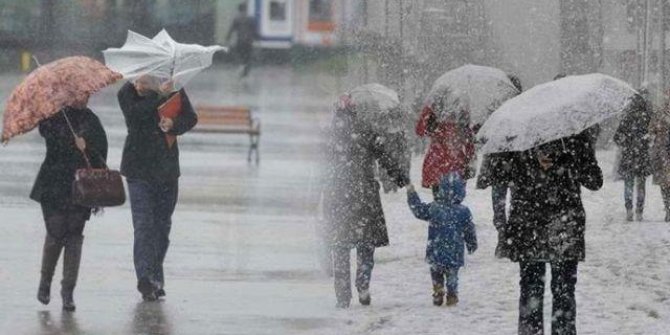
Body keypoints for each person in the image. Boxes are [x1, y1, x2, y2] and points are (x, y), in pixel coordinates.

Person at [495, 127, 602, 335]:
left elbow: (500, 174)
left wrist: (530, 162)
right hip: (563, 226)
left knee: (531, 291)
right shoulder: (574, 133)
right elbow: (594, 180)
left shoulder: (519, 133)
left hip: (528, 224)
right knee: (563, 293)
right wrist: (570, 159)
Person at [323, 98, 410, 308]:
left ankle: (342, 295)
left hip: (338, 194)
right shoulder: (366, 130)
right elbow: (385, 157)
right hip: (365, 194)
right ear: (355, 111)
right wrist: (401, 177)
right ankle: (363, 283)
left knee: (340, 246)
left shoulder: (328, 134)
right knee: (366, 243)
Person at [117, 75, 198, 301]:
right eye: (138, 80)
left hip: (167, 170)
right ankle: (145, 278)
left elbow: (190, 117)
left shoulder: (173, 89)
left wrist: (174, 124)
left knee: (162, 227)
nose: (139, 84)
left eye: (145, 81)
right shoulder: (126, 93)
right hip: (138, 170)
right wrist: (159, 96)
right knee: (144, 225)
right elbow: (136, 115)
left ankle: (155, 277)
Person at [31, 101, 108, 312]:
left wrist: (87, 147)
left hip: (80, 186)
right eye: (78, 94)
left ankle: (68, 291)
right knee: (56, 233)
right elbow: (47, 135)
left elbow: (101, 153)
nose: (83, 97)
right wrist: (70, 140)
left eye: (86, 94)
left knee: (74, 237)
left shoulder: (91, 120)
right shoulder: (53, 115)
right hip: (53, 183)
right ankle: (45, 282)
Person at [406, 174, 477, 307]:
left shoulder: (434, 208)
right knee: (452, 274)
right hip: (455, 251)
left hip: (436, 249)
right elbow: (469, 229)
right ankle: (452, 294)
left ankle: (438, 289)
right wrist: (472, 244)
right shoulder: (463, 211)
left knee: (436, 271)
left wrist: (411, 194)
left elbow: (419, 210)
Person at [476, 74, 523, 253]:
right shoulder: (523, 107)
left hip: (499, 162)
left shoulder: (495, 109)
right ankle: (508, 236)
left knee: (500, 201)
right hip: (516, 163)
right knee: (515, 202)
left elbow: (484, 135)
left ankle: (503, 236)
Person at [416, 94, 475, 196]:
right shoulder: (461, 118)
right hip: (456, 166)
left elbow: (420, 131)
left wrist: (428, 110)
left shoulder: (435, 117)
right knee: (455, 202)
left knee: (440, 202)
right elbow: (469, 143)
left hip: (439, 165)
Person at [614, 91, 652, 221]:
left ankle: (629, 209)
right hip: (641, 156)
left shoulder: (627, 117)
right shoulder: (647, 116)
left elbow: (616, 137)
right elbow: (652, 135)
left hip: (629, 156)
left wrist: (625, 142)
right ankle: (639, 210)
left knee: (629, 184)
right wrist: (645, 141)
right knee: (641, 185)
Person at [650, 92, 670, 221]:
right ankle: (668, 208)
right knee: (665, 184)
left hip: (662, 154)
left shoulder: (659, 114)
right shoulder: (659, 114)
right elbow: (651, 130)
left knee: (665, 185)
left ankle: (668, 208)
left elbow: (651, 130)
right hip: (662, 155)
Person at [226, 3, 257, 78]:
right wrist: (258, 39)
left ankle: (242, 66)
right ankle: (245, 71)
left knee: (240, 56)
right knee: (248, 57)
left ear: (239, 10)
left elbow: (231, 30)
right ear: (246, 10)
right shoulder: (251, 19)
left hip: (240, 42)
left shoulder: (237, 19)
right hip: (248, 42)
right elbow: (254, 31)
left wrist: (227, 38)